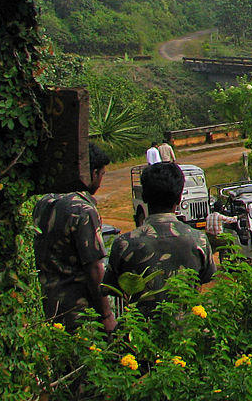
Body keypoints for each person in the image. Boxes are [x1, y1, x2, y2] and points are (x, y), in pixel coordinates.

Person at [104, 162, 215, 311]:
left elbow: (109, 288)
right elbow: (208, 277)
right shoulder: (198, 240)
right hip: (186, 330)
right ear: (179, 197)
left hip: (140, 331)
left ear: (144, 196)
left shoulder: (124, 243)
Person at [32, 142, 117, 333]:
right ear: (93, 173)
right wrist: (107, 315)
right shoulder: (83, 210)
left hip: (48, 303)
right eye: (102, 174)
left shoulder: (44, 201)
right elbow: (94, 267)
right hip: (78, 309)